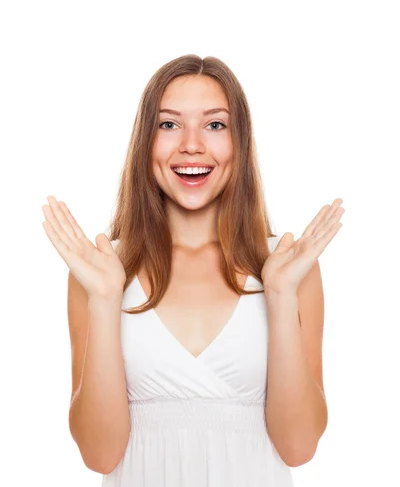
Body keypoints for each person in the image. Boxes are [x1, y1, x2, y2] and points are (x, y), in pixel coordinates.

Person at [42, 54, 344, 486]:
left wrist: (279, 295)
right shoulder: (102, 271)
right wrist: (107, 300)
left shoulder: (287, 268)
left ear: (239, 142)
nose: (191, 144)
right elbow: (100, 454)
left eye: (215, 125)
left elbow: (299, 446)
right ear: (145, 141)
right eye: (169, 125)